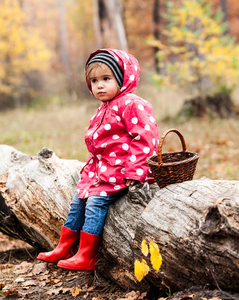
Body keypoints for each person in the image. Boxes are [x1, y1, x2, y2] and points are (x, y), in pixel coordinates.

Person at [37, 49, 159, 272]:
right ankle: (65, 247)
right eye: (94, 80)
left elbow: (145, 138)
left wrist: (135, 172)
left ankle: (87, 254)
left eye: (106, 79)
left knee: (95, 203)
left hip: (121, 170)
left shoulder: (132, 103)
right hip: (100, 170)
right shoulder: (105, 106)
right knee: (78, 201)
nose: (99, 85)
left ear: (123, 79)